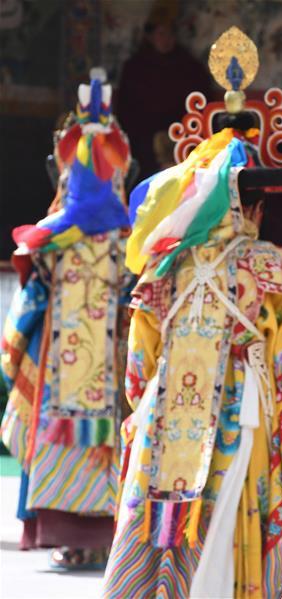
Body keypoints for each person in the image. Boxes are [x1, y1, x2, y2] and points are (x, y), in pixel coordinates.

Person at [101, 29, 282, 598]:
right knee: (235, 517)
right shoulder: (276, 271)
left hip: (168, 413)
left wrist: (151, 403)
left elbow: (137, 370)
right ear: (257, 207)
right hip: (241, 414)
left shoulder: (163, 270)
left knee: (156, 516)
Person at [0, 69, 134, 570]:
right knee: (105, 447)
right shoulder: (125, 235)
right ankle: (93, 537)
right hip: (106, 367)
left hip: (70, 370)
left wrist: (13, 350)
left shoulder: (53, 236)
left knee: (77, 447)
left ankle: (74, 537)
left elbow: (32, 287)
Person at [115, 1, 211, 177]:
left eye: (170, 34)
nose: (166, 39)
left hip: (180, 139)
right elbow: (126, 109)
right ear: (150, 37)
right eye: (161, 34)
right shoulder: (135, 67)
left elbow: (202, 102)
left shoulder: (188, 66)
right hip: (144, 144)